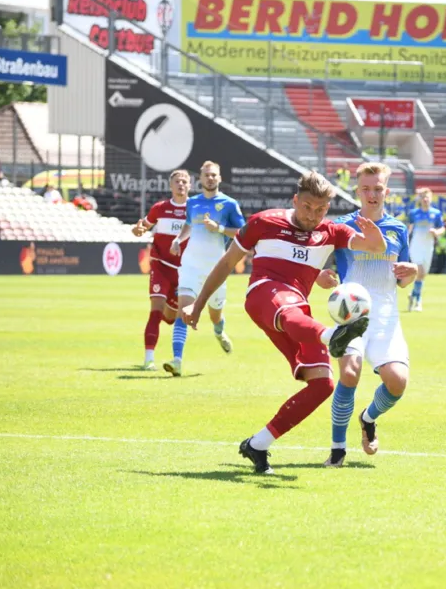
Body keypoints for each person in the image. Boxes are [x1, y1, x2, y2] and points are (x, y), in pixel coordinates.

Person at [181, 171, 386, 475]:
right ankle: (333, 336)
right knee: (291, 311)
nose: (312, 215)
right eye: (307, 207)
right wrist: (198, 305)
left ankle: (258, 444)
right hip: (264, 294)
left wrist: (377, 240)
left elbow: (374, 248)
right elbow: (226, 263)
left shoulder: (332, 231)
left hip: (298, 313)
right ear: (295, 200)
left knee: (323, 384)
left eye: (320, 209)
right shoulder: (264, 222)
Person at [317, 163, 417, 467]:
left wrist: (412, 272)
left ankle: (368, 418)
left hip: (386, 316)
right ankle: (337, 448)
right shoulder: (342, 226)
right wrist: (320, 275)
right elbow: (317, 263)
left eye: (378, 189)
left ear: (387, 191)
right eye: (366, 188)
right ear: (357, 191)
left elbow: (403, 279)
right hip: (351, 314)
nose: (372, 194)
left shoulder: (398, 229)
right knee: (349, 373)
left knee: (397, 382)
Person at [166, 161, 245, 376]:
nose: (210, 178)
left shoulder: (229, 204)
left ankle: (219, 333)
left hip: (216, 268)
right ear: (200, 179)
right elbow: (189, 224)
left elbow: (242, 233)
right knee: (183, 310)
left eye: (213, 175)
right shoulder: (192, 203)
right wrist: (178, 239)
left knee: (215, 315)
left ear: (219, 178)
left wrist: (219, 228)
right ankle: (177, 360)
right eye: (206, 175)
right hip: (191, 265)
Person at [131, 169, 191, 371]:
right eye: (177, 181)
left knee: (171, 318)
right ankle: (149, 359)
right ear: (171, 185)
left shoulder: (195, 209)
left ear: (190, 185)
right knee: (156, 311)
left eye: (184, 181)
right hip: (161, 266)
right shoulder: (160, 208)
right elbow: (143, 227)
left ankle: (167, 307)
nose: (181, 184)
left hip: (185, 271)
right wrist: (138, 230)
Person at [405, 187, 445, 312]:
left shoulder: (436, 213)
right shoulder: (414, 213)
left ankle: (413, 295)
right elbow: (409, 229)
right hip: (416, 246)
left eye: (427, 197)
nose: (425, 200)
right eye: (423, 197)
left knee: (422, 276)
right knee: (420, 271)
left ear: (431, 199)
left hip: (429, 246)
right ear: (420, 200)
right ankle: (418, 302)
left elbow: (442, 228)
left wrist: (436, 232)